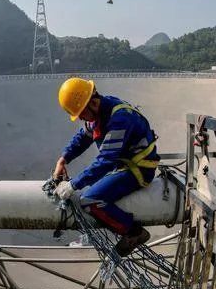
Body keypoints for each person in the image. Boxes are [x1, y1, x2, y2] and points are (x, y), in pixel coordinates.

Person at [52, 77, 159, 256]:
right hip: (125, 165)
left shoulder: (119, 119)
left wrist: (73, 185)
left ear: (91, 103)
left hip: (139, 169)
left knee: (90, 200)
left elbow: (106, 161)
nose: (79, 118)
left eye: (80, 113)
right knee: (93, 190)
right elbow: (83, 137)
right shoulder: (101, 110)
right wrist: (63, 159)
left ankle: (134, 232)